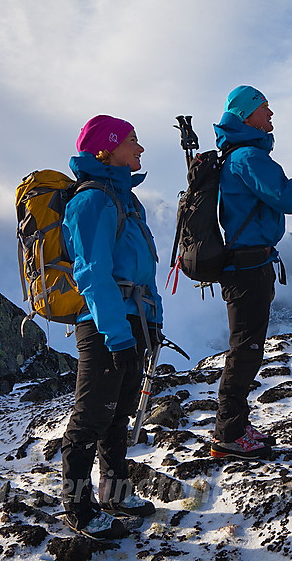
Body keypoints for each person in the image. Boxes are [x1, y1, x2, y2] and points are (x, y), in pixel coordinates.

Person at [210, 86, 292, 459]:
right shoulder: (249, 157)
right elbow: (289, 198)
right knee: (246, 350)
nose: (271, 115)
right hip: (249, 267)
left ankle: (235, 426)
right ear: (246, 115)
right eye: (264, 109)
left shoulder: (239, 155)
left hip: (248, 263)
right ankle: (229, 434)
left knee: (246, 347)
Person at [59, 115, 162, 539]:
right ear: (107, 149)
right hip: (104, 329)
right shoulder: (91, 202)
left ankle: (115, 493)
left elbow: (140, 271)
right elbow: (94, 275)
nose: (140, 150)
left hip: (131, 323)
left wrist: (150, 324)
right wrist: (118, 335)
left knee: (118, 415)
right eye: (133, 142)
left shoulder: (125, 200)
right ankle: (78, 508)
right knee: (90, 419)